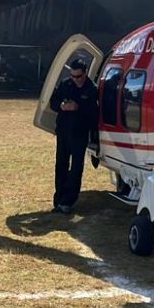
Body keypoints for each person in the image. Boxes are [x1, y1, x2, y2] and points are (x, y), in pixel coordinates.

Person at [48, 60, 98, 214]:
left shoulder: (92, 89)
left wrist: (78, 108)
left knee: (76, 168)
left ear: (85, 72)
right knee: (61, 165)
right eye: (73, 76)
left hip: (79, 133)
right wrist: (62, 106)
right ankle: (59, 199)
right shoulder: (65, 84)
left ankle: (68, 201)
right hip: (63, 131)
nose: (75, 79)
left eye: (78, 76)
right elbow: (53, 102)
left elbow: (94, 114)